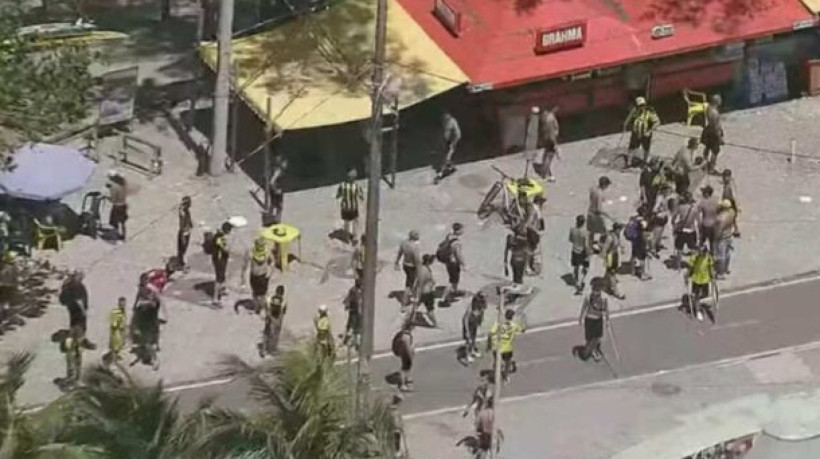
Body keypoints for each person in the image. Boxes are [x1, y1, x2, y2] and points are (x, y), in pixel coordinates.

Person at [133, 277, 165, 370]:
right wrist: (135, 307)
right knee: (145, 337)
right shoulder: (141, 289)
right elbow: (138, 297)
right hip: (143, 316)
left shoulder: (152, 291)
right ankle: (149, 351)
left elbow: (155, 304)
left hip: (150, 316)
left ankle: (155, 359)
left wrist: (145, 303)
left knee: (149, 341)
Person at [488, 308, 525, 383]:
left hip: (497, 347)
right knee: (507, 363)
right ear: (512, 317)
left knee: (496, 362)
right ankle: (505, 376)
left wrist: (489, 344)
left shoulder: (499, 323)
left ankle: (495, 375)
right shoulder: (513, 325)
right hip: (507, 348)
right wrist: (523, 321)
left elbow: (491, 333)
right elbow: (522, 330)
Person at [59, 269, 94, 348]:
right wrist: (83, 310)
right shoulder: (77, 286)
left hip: (71, 309)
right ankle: (78, 342)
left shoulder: (68, 285)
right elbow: (79, 299)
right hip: (77, 309)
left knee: (74, 325)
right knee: (80, 326)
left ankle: (71, 342)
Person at [578, 278, 609, 362]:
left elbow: (606, 309)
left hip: (598, 320)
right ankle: (588, 351)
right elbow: (584, 307)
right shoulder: (588, 297)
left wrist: (607, 320)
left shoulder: (603, 298)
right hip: (590, 319)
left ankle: (593, 350)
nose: (595, 291)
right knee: (590, 338)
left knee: (597, 337)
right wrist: (580, 317)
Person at [624, 96, 660, 166]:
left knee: (646, 149)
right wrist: (626, 123)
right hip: (636, 133)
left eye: (643, 105)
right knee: (631, 147)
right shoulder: (635, 110)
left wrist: (649, 131)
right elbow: (630, 117)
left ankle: (644, 162)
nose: (641, 107)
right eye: (640, 106)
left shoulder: (649, 112)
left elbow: (657, 122)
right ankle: (629, 162)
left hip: (645, 134)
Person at [241, 237, 274, 313]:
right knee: (255, 293)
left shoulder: (267, 252)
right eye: (259, 244)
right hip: (254, 276)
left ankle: (263, 308)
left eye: (262, 244)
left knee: (264, 294)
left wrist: (270, 272)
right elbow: (244, 266)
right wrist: (243, 277)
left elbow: (272, 262)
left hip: (263, 275)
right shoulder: (250, 252)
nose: (260, 246)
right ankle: (256, 308)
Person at [438, 223, 465, 307]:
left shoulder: (449, 236)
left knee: (455, 279)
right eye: (462, 229)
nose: (463, 231)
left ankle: (454, 292)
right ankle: (444, 299)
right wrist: (463, 264)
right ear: (458, 230)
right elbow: (458, 255)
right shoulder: (457, 242)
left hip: (448, 262)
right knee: (452, 281)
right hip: (453, 263)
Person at [685, 244, 715, 321]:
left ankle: (695, 300)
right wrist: (686, 276)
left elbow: (710, 267)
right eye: (702, 252)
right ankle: (698, 310)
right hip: (696, 279)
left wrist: (713, 276)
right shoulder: (695, 258)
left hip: (705, 279)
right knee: (697, 295)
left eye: (704, 252)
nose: (703, 253)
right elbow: (690, 267)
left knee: (706, 294)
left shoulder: (708, 257)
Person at [394, 230, 421, 310]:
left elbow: (400, 253)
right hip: (413, 267)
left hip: (405, 265)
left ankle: (415, 297)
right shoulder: (415, 246)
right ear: (414, 237)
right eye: (417, 235)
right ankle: (404, 304)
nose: (419, 236)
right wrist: (420, 269)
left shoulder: (404, 243)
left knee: (412, 283)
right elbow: (416, 259)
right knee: (409, 286)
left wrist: (397, 262)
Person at [671, 191, 698, 270]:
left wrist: (674, 225)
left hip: (681, 230)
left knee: (679, 249)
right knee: (692, 249)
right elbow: (698, 221)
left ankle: (678, 266)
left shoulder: (680, 207)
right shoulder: (694, 209)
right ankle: (693, 265)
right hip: (691, 230)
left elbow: (673, 218)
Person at [336, 169, 364, 243]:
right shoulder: (357, 186)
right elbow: (361, 196)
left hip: (345, 207)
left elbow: (338, 195)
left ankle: (347, 237)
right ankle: (354, 237)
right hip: (353, 207)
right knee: (355, 222)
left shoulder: (342, 185)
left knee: (347, 222)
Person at [587, 176, 612, 252]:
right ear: (604, 185)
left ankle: (590, 246)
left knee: (592, 231)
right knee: (604, 232)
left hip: (590, 212)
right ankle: (599, 246)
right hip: (596, 215)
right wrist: (608, 215)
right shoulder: (600, 194)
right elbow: (599, 209)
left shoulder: (593, 189)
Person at [260, 285, 286, 356]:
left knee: (267, 333)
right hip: (275, 318)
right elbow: (281, 313)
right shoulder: (283, 301)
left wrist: (270, 318)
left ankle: (264, 349)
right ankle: (272, 349)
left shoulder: (269, 299)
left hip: (271, 317)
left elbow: (267, 309)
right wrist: (277, 321)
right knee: (274, 334)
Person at [435, 112, 461, 183]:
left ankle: (440, 174)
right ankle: (451, 166)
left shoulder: (450, 122)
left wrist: (450, 144)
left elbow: (449, 134)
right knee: (446, 155)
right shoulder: (448, 121)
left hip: (452, 140)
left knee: (446, 156)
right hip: (450, 140)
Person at [602, 222, 625, 299]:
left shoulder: (617, 235)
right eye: (620, 229)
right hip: (610, 257)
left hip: (615, 255)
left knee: (610, 272)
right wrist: (605, 260)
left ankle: (606, 285)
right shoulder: (610, 237)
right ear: (616, 229)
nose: (621, 230)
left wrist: (621, 248)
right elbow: (604, 249)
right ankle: (616, 292)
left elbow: (619, 242)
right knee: (612, 274)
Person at [211, 221, 232, 306]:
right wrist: (228, 249)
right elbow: (224, 249)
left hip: (219, 259)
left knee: (222, 274)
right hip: (219, 260)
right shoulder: (220, 238)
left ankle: (223, 289)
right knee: (219, 278)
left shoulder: (219, 235)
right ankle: (215, 298)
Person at [462, 292, 487, 363]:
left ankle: (472, 350)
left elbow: (482, 314)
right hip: (469, 325)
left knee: (473, 338)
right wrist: (466, 331)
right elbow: (465, 319)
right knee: (468, 340)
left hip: (475, 324)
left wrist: (480, 323)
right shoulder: (470, 307)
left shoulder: (481, 306)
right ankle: (467, 355)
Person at [569, 214, 592, 294]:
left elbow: (571, 240)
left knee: (576, 267)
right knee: (586, 267)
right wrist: (589, 253)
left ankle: (577, 281)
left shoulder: (572, 230)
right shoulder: (585, 232)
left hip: (575, 250)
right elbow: (586, 245)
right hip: (582, 251)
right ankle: (581, 281)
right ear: (584, 222)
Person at [701, 94, 724, 172]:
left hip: (708, 130)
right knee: (715, 150)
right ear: (716, 101)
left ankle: (704, 163)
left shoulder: (708, 108)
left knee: (707, 147)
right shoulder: (714, 113)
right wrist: (720, 137)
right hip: (713, 132)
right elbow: (716, 126)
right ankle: (711, 167)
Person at [537, 106, 560, 182]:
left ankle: (544, 170)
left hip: (545, 138)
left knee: (546, 154)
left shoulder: (544, 117)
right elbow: (552, 131)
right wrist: (555, 144)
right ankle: (546, 173)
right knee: (549, 157)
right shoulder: (551, 118)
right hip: (550, 139)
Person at [715, 199, 737, 279]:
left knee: (721, 255)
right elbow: (734, 222)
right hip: (729, 235)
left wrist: (716, 239)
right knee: (727, 253)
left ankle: (721, 273)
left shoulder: (721, 218)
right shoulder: (732, 212)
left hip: (722, 238)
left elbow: (719, 231)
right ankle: (726, 269)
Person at [626, 214, 651, 281]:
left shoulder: (633, 220)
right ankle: (643, 274)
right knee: (642, 258)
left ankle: (632, 271)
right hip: (640, 241)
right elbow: (644, 232)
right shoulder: (642, 221)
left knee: (633, 255)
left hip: (634, 240)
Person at [414, 254, 437, 327]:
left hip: (425, 292)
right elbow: (420, 284)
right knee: (430, 310)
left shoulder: (424, 268)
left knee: (415, 307)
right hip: (426, 293)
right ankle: (435, 324)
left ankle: (409, 320)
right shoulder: (424, 270)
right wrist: (418, 295)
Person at [392, 321, 415, 392]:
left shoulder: (401, 334)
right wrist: (410, 355)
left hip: (402, 352)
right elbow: (408, 346)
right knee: (405, 368)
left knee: (406, 368)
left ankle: (407, 379)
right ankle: (402, 385)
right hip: (405, 353)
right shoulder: (406, 336)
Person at [697, 185, 720, 253]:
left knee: (701, 242)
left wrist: (699, 226)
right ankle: (712, 257)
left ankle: (700, 258)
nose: (702, 193)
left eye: (703, 192)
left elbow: (697, 213)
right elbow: (719, 212)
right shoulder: (716, 202)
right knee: (712, 243)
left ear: (707, 193)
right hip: (714, 225)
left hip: (705, 225)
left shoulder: (702, 202)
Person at [106, 171, 128, 241]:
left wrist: (107, 197)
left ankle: (116, 236)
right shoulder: (123, 183)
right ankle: (123, 235)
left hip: (117, 206)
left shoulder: (114, 188)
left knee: (114, 222)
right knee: (122, 222)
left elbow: (113, 200)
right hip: (123, 204)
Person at [342, 278, 363, 348]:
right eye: (359, 282)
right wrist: (347, 304)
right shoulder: (353, 290)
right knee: (352, 326)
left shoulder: (362, 290)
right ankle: (347, 339)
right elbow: (349, 298)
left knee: (357, 328)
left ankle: (357, 342)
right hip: (354, 312)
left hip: (359, 313)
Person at [720, 168, 741, 237]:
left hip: (730, 204)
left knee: (729, 218)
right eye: (723, 177)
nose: (723, 178)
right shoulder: (727, 184)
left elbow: (734, 197)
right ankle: (736, 230)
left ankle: (729, 231)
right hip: (727, 203)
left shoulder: (730, 186)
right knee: (732, 218)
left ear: (729, 177)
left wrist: (737, 206)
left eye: (725, 177)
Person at [107, 296, 127, 364]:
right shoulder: (116, 311)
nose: (123, 305)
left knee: (120, 345)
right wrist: (117, 326)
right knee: (115, 346)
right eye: (121, 303)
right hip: (116, 331)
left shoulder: (123, 311)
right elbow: (114, 323)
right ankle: (112, 360)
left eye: (124, 303)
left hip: (121, 331)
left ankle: (114, 357)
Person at [177, 196, 193, 269]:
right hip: (184, 232)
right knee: (182, 249)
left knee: (184, 248)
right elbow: (182, 223)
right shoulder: (183, 212)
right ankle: (181, 264)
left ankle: (181, 262)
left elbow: (188, 219)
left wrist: (191, 224)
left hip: (187, 231)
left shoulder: (186, 210)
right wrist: (183, 234)